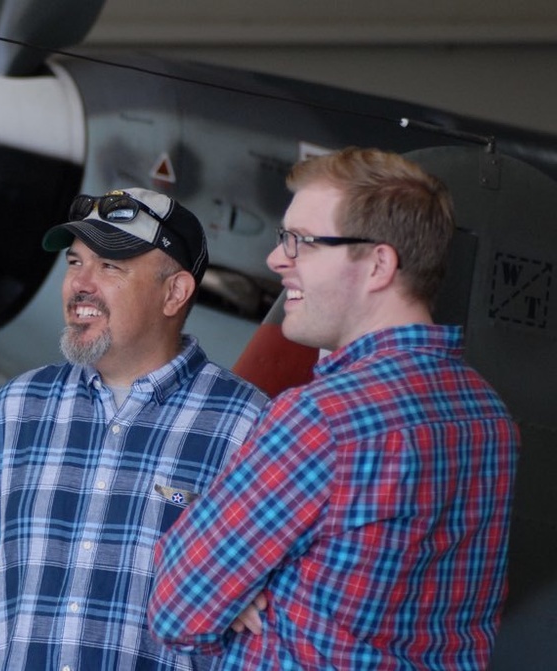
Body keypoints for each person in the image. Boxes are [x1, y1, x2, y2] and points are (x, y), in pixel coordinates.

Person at [149, 148, 520, 669]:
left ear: (378, 264)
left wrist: (248, 589)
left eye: (302, 242)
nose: (277, 259)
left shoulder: (322, 421)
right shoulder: (487, 416)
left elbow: (178, 607)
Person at [0, 187, 267, 670]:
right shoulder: (13, 410)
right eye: (75, 262)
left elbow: (277, 610)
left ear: (175, 292)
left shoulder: (251, 427)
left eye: (110, 267)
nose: (81, 283)